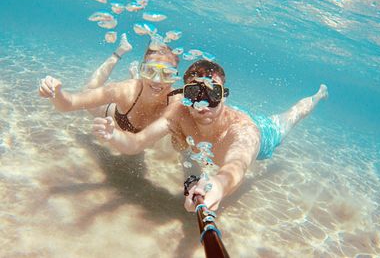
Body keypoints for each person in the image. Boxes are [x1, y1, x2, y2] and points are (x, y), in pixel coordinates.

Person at [92, 60, 328, 212]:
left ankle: (316, 96)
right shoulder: (181, 115)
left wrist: (217, 186)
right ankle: (192, 180)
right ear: (185, 95)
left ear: (224, 95)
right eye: (195, 93)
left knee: (289, 119)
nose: (203, 105)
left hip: (263, 129)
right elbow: (136, 143)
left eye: (212, 94)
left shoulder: (245, 131)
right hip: (194, 143)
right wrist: (114, 136)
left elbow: (237, 166)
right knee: (184, 144)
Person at [39, 33, 180, 133]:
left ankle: (136, 76)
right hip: (108, 112)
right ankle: (120, 51)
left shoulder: (176, 101)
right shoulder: (123, 90)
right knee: (88, 88)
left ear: (175, 77)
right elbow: (68, 104)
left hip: (138, 95)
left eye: (167, 74)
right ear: (142, 69)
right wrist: (56, 93)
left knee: (146, 85)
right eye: (149, 71)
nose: (157, 80)